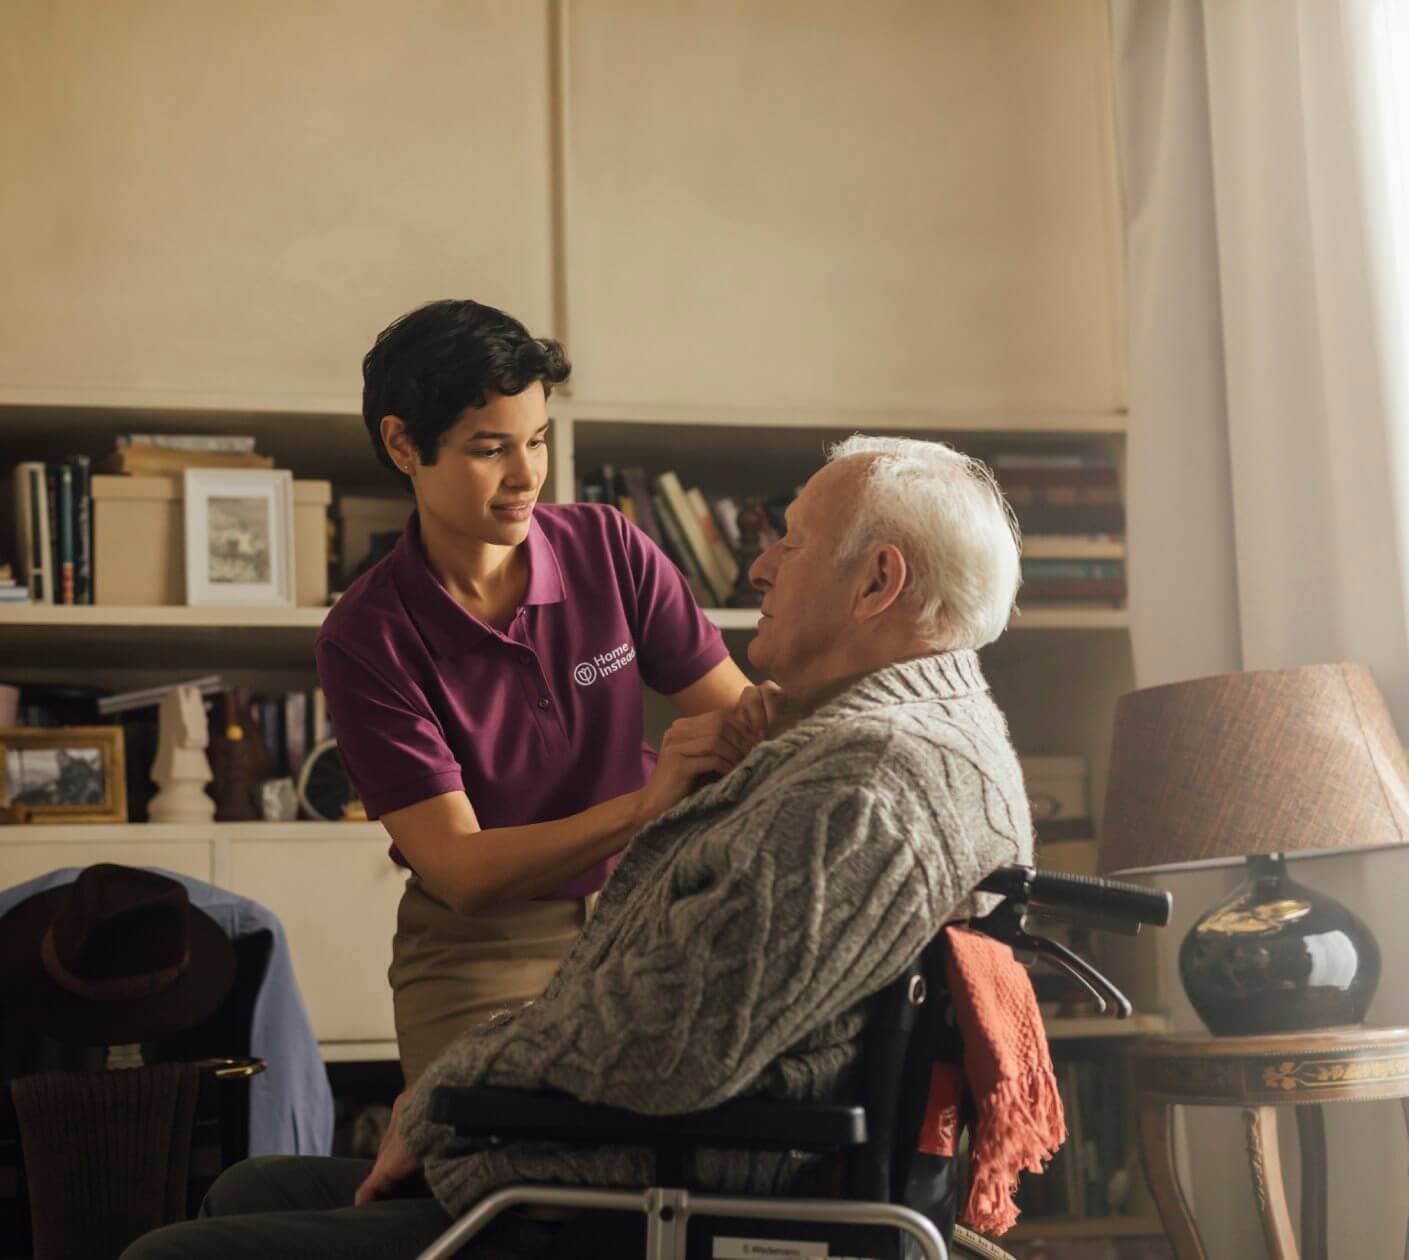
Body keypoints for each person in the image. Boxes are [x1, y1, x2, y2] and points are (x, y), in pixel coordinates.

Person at [123, 434, 1033, 1260]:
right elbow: (487, 882)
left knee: (173, 1250)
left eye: (788, 542)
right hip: (665, 1125)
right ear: (407, 449)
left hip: (673, 1190)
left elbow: (671, 1044)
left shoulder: (863, 782)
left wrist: (447, 1090)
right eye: (488, 446)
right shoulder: (922, 736)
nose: (758, 566)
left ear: (877, 584)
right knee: (251, 1186)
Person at [314, 299, 768, 1093]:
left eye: (536, 441)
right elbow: (460, 869)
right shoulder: (366, 637)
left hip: (649, 913)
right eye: (490, 449)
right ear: (401, 445)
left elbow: (740, 721)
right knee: (491, 1186)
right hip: (482, 949)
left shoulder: (609, 547)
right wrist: (642, 807)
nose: (527, 476)